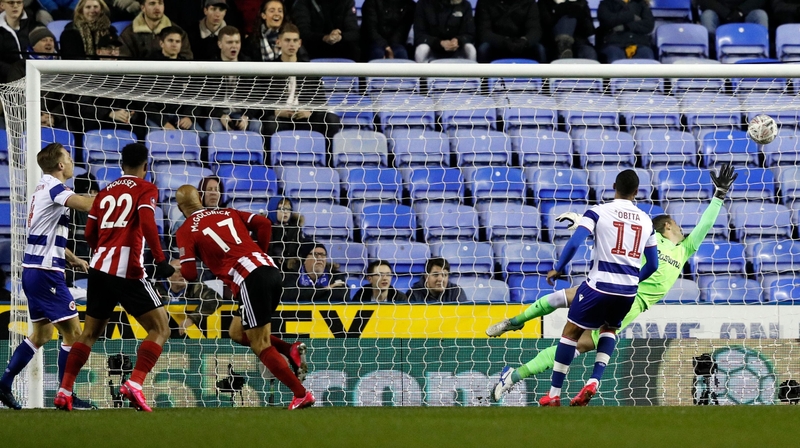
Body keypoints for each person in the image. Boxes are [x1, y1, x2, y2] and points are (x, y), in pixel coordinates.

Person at [487, 164, 739, 404]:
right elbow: (618, 235)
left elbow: (704, 226)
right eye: (679, 226)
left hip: (630, 299)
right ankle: (515, 325)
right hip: (622, 290)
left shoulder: (683, 250)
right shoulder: (648, 236)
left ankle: (516, 374)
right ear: (668, 225)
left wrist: (719, 196)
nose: (684, 231)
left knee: (573, 339)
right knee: (565, 305)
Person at [495, 169, 659, 407]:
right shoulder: (646, 220)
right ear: (636, 192)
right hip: (628, 291)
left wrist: (559, 268)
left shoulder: (598, 211)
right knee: (609, 330)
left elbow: (575, 241)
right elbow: (653, 264)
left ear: (614, 186)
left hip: (600, 284)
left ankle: (553, 394)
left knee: (570, 333)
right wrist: (633, 281)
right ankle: (594, 379)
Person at [54, 143, 176, 412]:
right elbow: (147, 222)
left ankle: (64, 391)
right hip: (127, 269)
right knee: (161, 328)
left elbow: (89, 233)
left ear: (122, 165)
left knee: (89, 333)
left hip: (99, 268)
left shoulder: (106, 190)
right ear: (146, 166)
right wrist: (160, 259)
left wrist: (102, 251)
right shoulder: (146, 188)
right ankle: (135, 383)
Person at [174, 184, 315, 410]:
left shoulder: (185, 230)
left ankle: (301, 394)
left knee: (261, 344)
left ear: (181, 208)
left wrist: (197, 259)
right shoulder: (228, 211)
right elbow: (264, 223)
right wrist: (260, 250)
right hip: (270, 270)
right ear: (200, 198)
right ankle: (290, 349)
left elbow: (190, 274)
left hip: (249, 279)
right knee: (237, 332)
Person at [0, 143, 95, 411]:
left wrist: (72, 257)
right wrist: (112, 199)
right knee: (75, 334)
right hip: (45, 275)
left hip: (35, 272)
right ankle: (66, 395)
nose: (72, 160)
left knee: (42, 334)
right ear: (60, 165)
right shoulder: (55, 187)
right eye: (68, 156)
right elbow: (85, 205)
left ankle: (4, 383)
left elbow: (44, 232)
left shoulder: (42, 189)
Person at [262, 24, 342, 153]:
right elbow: (260, 104)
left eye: (295, 41)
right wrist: (277, 112)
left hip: (306, 119)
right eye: (287, 40)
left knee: (331, 119)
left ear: (300, 43)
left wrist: (309, 112)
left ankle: (328, 163)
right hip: (281, 119)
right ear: (279, 42)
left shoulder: (309, 69)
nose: (291, 44)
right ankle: (271, 164)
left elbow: (322, 102)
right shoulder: (268, 70)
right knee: (270, 123)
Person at [204, 26, 265, 134]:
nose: (234, 46)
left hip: (241, 114)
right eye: (229, 42)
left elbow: (256, 96)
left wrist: (247, 117)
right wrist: (220, 116)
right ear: (220, 44)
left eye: (237, 42)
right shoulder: (210, 66)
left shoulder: (248, 65)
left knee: (257, 125)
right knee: (214, 128)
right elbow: (205, 99)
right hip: (218, 115)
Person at [155, 259, 223, 336]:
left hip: (192, 336)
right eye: (177, 271)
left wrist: (192, 318)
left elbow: (215, 299)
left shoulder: (193, 285)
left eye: (185, 270)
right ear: (168, 274)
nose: (182, 274)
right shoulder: (156, 289)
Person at [119, 0, 192, 60]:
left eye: (160, 3)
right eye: (152, 3)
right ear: (143, 8)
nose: (157, 7)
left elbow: (187, 59)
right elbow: (124, 61)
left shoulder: (178, 32)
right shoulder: (129, 34)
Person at [475, 0, 544, 63]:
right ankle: (483, 76)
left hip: (522, 45)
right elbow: (484, 32)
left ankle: (544, 76)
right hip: (496, 44)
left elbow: (535, 30)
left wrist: (525, 41)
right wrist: (504, 41)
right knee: (483, 49)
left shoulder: (529, 2)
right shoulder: (484, 2)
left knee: (539, 49)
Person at [282, 241, 348, 303]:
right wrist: (325, 289)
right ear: (305, 259)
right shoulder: (291, 275)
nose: (319, 258)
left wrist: (307, 295)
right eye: (315, 254)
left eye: (323, 255)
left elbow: (341, 295)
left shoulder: (336, 275)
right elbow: (289, 295)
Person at [292, 0, 360, 60]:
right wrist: (324, 38)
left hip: (345, 53)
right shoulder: (304, 2)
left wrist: (340, 37)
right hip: (312, 53)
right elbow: (303, 32)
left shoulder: (347, 2)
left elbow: (354, 32)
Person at [243, 0, 308, 62]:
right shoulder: (251, 41)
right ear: (263, 15)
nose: (277, 14)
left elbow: (304, 60)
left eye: (280, 11)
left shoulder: (292, 36)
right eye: (272, 11)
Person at [0, 0, 41, 82]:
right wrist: (15, 72)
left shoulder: (33, 25)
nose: (15, 6)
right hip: (5, 78)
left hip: (35, 75)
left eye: (19, 2)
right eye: (11, 2)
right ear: (2, 5)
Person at [267, 197, 305, 271]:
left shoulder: (295, 228)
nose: (286, 212)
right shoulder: (263, 227)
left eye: (288, 209)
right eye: (282, 209)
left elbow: (300, 249)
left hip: (290, 269)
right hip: (269, 268)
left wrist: (292, 261)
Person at [698, 0, 768, 37]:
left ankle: (761, 52)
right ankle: (712, 53)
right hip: (719, 14)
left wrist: (740, 11)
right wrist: (726, 13)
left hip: (745, 13)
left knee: (760, 15)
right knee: (707, 15)